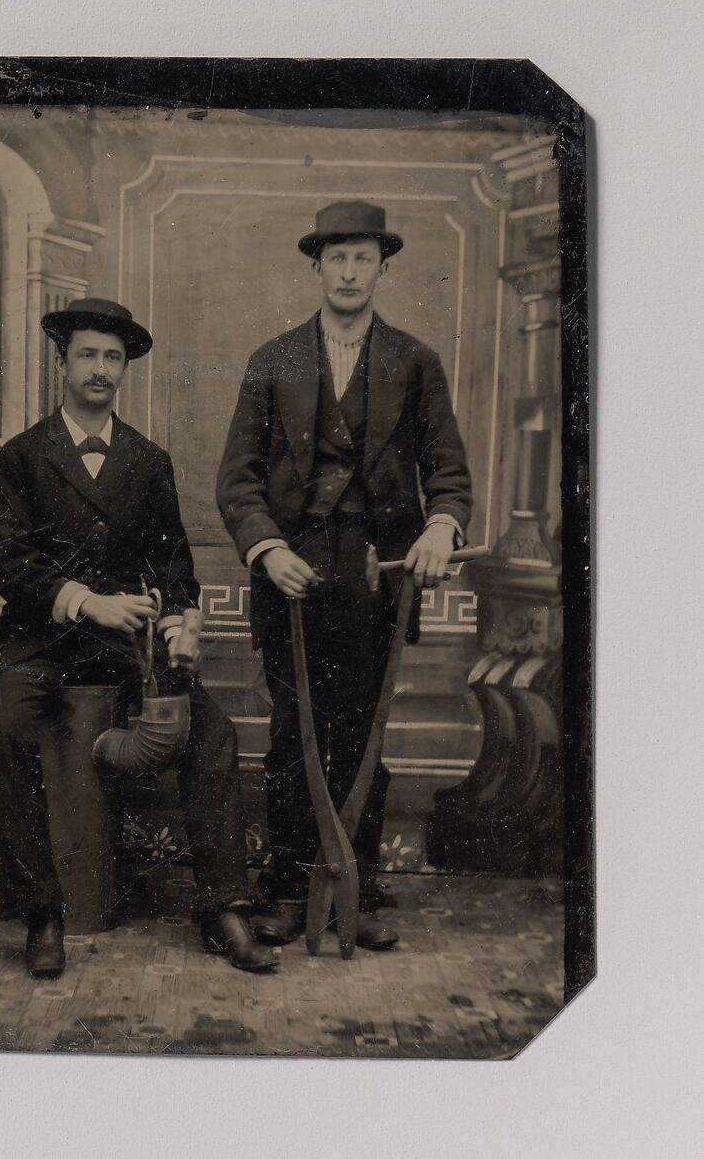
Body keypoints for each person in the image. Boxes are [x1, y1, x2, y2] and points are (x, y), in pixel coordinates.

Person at [0, 298, 276, 977]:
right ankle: (41, 913)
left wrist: (181, 620)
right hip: (39, 637)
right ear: (63, 362)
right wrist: (88, 603)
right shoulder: (21, 457)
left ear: (125, 368)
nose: (100, 369)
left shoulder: (148, 460)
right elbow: (12, 566)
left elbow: (173, 565)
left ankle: (222, 906)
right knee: (5, 723)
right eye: (87, 354)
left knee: (212, 733)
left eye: (112, 357)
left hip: (128, 648)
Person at [216, 201, 473, 950]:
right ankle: (293, 886)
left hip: (378, 576)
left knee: (362, 732)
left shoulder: (416, 360)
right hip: (292, 572)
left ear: (383, 268)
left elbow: (448, 469)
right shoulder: (274, 361)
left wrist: (438, 523)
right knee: (296, 731)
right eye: (338, 258)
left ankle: (351, 884)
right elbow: (237, 480)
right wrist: (266, 548)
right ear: (317, 267)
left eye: (364, 258)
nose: (351, 272)